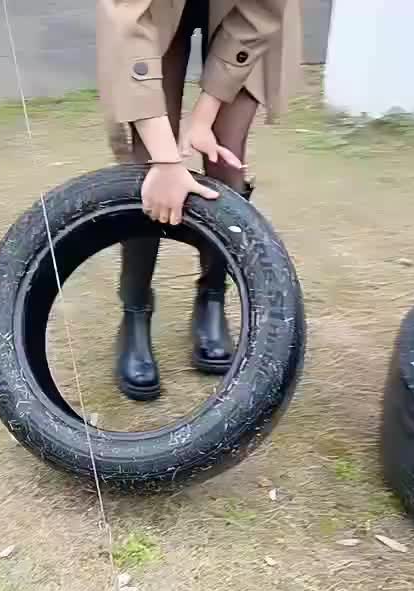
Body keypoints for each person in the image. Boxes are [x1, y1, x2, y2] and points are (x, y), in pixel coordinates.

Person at [96, 0, 300, 400]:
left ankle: (211, 297)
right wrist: (165, 159)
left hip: (245, 8)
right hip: (151, 8)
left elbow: (261, 11)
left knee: (226, 158)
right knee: (148, 164)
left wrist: (204, 118)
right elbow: (127, 22)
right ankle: (135, 311)